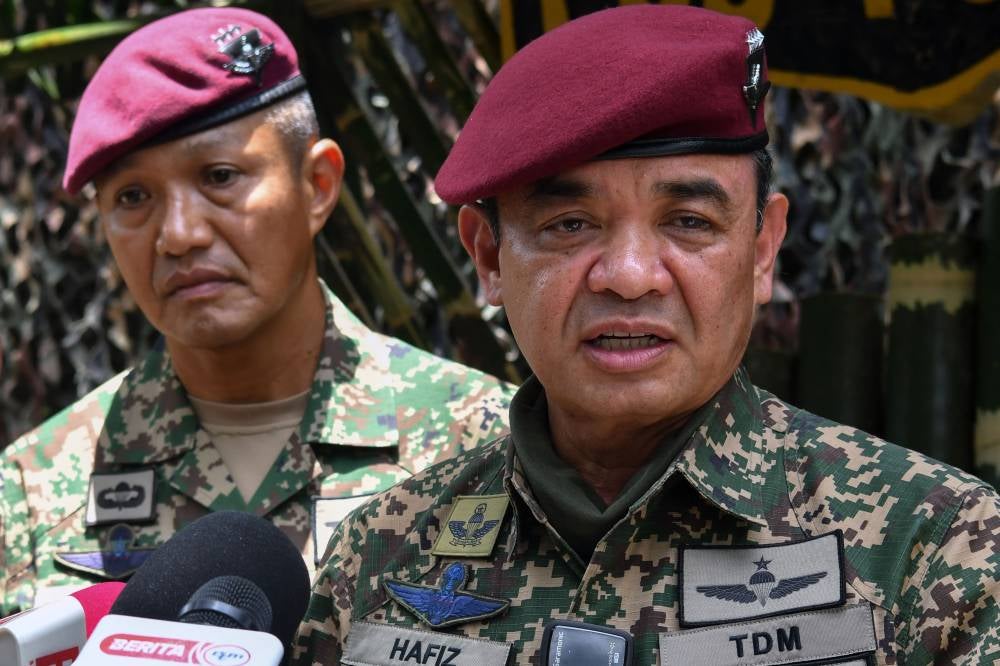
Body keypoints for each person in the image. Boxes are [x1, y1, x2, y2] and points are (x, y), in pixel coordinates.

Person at [293, 5, 1000, 665]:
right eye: (571, 225)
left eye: (688, 222)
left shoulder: (935, 547)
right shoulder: (384, 555)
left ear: (761, 248)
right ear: (488, 257)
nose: (630, 277)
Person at [0, 7, 515, 615]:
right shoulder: (31, 492)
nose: (180, 235)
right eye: (133, 196)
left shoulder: (490, 444)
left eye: (220, 176)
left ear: (317, 185)